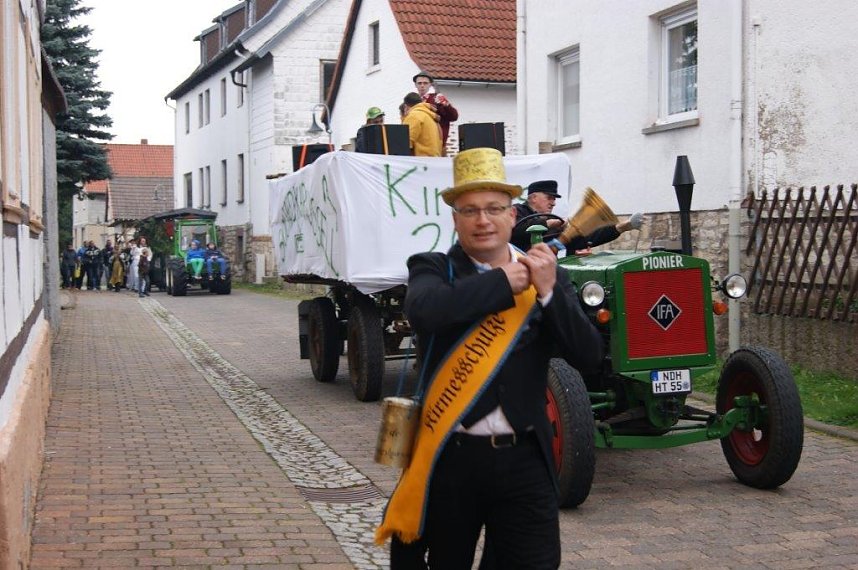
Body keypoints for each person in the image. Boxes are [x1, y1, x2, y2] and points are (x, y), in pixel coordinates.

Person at [376, 148, 603, 568]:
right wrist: (503, 283)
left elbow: (589, 356)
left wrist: (551, 292)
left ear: (512, 216)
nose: (483, 220)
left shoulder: (547, 276)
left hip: (524, 458)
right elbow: (425, 312)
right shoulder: (432, 268)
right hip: (450, 456)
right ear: (455, 218)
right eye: (470, 210)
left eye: (494, 208)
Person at [510, 180, 644, 252]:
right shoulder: (518, 211)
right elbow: (515, 232)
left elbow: (583, 239)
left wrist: (619, 228)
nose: (554, 203)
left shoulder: (551, 220)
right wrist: (548, 224)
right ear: (533, 197)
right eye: (549, 198)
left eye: (554, 199)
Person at [413, 71, 459, 150]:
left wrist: (446, 104)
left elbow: (453, 117)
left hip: (436, 144)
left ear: (430, 84)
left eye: (425, 83)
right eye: (419, 83)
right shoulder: (413, 101)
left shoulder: (436, 99)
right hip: (418, 145)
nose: (422, 86)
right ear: (415, 85)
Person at [401, 92, 443, 157]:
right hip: (433, 160)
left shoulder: (414, 116)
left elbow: (405, 143)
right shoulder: (431, 116)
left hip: (420, 162)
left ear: (406, 106)